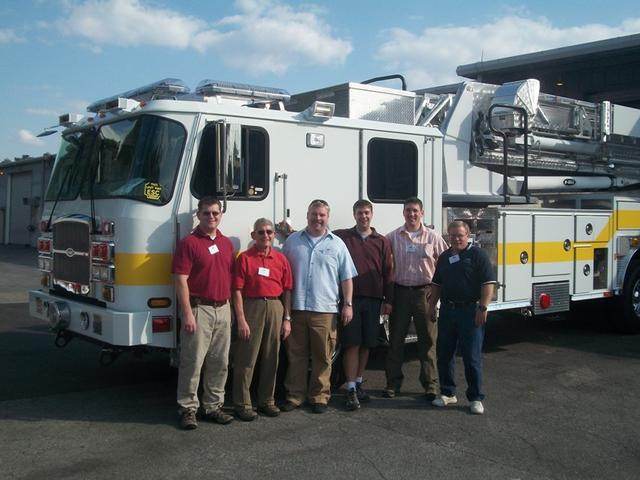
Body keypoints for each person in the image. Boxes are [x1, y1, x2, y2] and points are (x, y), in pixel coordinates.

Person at [280, 199, 358, 414]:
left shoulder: (337, 244)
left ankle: (319, 396)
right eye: (314, 214)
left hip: (325, 310)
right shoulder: (292, 242)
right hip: (297, 309)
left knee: (323, 356)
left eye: (322, 215)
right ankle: (295, 396)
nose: (318, 218)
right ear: (307, 215)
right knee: (296, 355)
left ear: (327, 217)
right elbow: (284, 277)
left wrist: (348, 304)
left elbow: (347, 278)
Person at [172, 196, 235, 430]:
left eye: (215, 213)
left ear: (221, 215)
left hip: (223, 308)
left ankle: (213, 406)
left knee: (220, 362)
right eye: (207, 213)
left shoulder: (227, 243)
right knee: (192, 361)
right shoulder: (189, 243)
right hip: (200, 309)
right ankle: (188, 408)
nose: (211, 217)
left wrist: (232, 312)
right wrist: (187, 313)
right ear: (198, 215)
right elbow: (180, 280)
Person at [428, 220, 496, 414]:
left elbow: (488, 283)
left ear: (468, 236)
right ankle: (448, 393)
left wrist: (483, 308)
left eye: (460, 235)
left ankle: (475, 397)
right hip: (448, 311)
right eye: (453, 235)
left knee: (471, 356)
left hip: (470, 312)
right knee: (445, 354)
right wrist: (431, 306)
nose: (456, 238)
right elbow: (437, 284)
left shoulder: (477, 255)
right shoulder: (444, 257)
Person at [384, 197, 448, 400]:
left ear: (422, 213)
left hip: (425, 294)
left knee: (428, 340)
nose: (411, 214)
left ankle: (430, 385)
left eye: (415, 211)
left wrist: (438, 291)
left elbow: (445, 262)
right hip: (400, 292)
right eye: (408, 211)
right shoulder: (392, 237)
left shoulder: (433, 237)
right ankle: (393, 384)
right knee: (395, 340)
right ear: (403, 213)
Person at [334, 200, 394, 410]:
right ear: (354, 215)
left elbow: (388, 272)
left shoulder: (382, 241)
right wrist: (290, 231)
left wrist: (388, 300)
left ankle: (358, 383)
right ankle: (350, 389)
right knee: (352, 343)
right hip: (351, 299)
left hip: (374, 299)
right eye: (359, 213)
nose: (363, 216)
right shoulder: (342, 236)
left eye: (366, 213)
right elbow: (319, 231)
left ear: (372, 214)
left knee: (368, 344)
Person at [231, 218, 293, 421]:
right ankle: (242, 404)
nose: (265, 236)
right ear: (253, 235)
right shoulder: (245, 259)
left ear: (274, 235)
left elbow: (288, 290)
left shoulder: (281, 259)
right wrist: (241, 319)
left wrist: (287, 318)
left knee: (271, 358)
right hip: (252, 307)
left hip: (275, 306)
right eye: (261, 232)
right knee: (246, 358)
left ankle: (267, 401)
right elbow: (237, 290)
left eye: (269, 232)